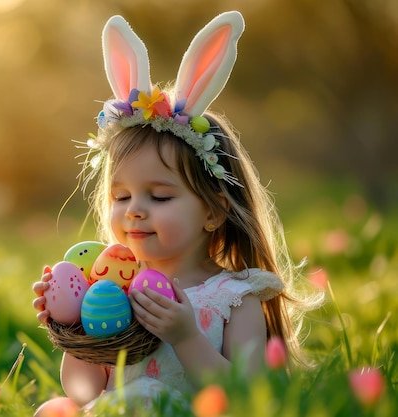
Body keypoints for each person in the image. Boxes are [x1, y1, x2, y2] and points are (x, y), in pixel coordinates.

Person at [32, 11, 320, 415]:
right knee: (54, 409)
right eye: (122, 197)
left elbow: (249, 397)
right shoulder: (115, 290)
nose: (134, 212)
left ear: (214, 212)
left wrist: (185, 337)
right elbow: (84, 391)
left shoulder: (235, 298)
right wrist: (73, 326)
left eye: (160, 197)